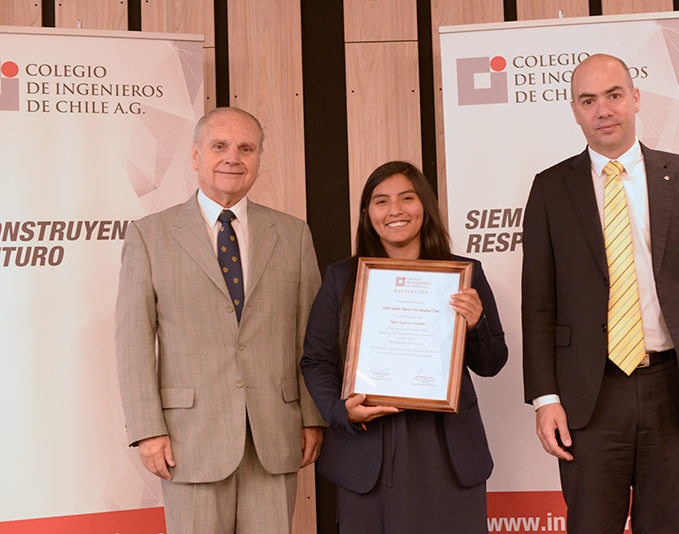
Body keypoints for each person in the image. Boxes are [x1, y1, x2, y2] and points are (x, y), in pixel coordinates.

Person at [521, 54, 679, 533]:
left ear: (636, 99)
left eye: (614, 95)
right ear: (574, 111)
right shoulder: (550, 188)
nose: (603, 110)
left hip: (673, 392)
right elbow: (537, 305)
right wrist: (545, 399)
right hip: (589, 397)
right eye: (588, 100)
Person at [115, 106, 325, 534]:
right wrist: (147, 429)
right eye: (220, 146)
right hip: (189, 440)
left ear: (259, 159)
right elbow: (133, 341)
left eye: (246, 148)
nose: (233, 158)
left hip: (275, 435)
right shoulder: (149, 235)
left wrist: (311, 416)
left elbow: (309, 337)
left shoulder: (293, 234)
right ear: (195, 156)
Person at [301, 161, 508, 533]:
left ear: (424, 205)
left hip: (447, 448)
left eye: (407, 198)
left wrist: (476, 324)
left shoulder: (464, 273)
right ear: (368, 214)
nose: (394, 210)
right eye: (381, 201)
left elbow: (491, 363)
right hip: (368, 449)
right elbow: (316, 360)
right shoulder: (341, 277)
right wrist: (340, 411)